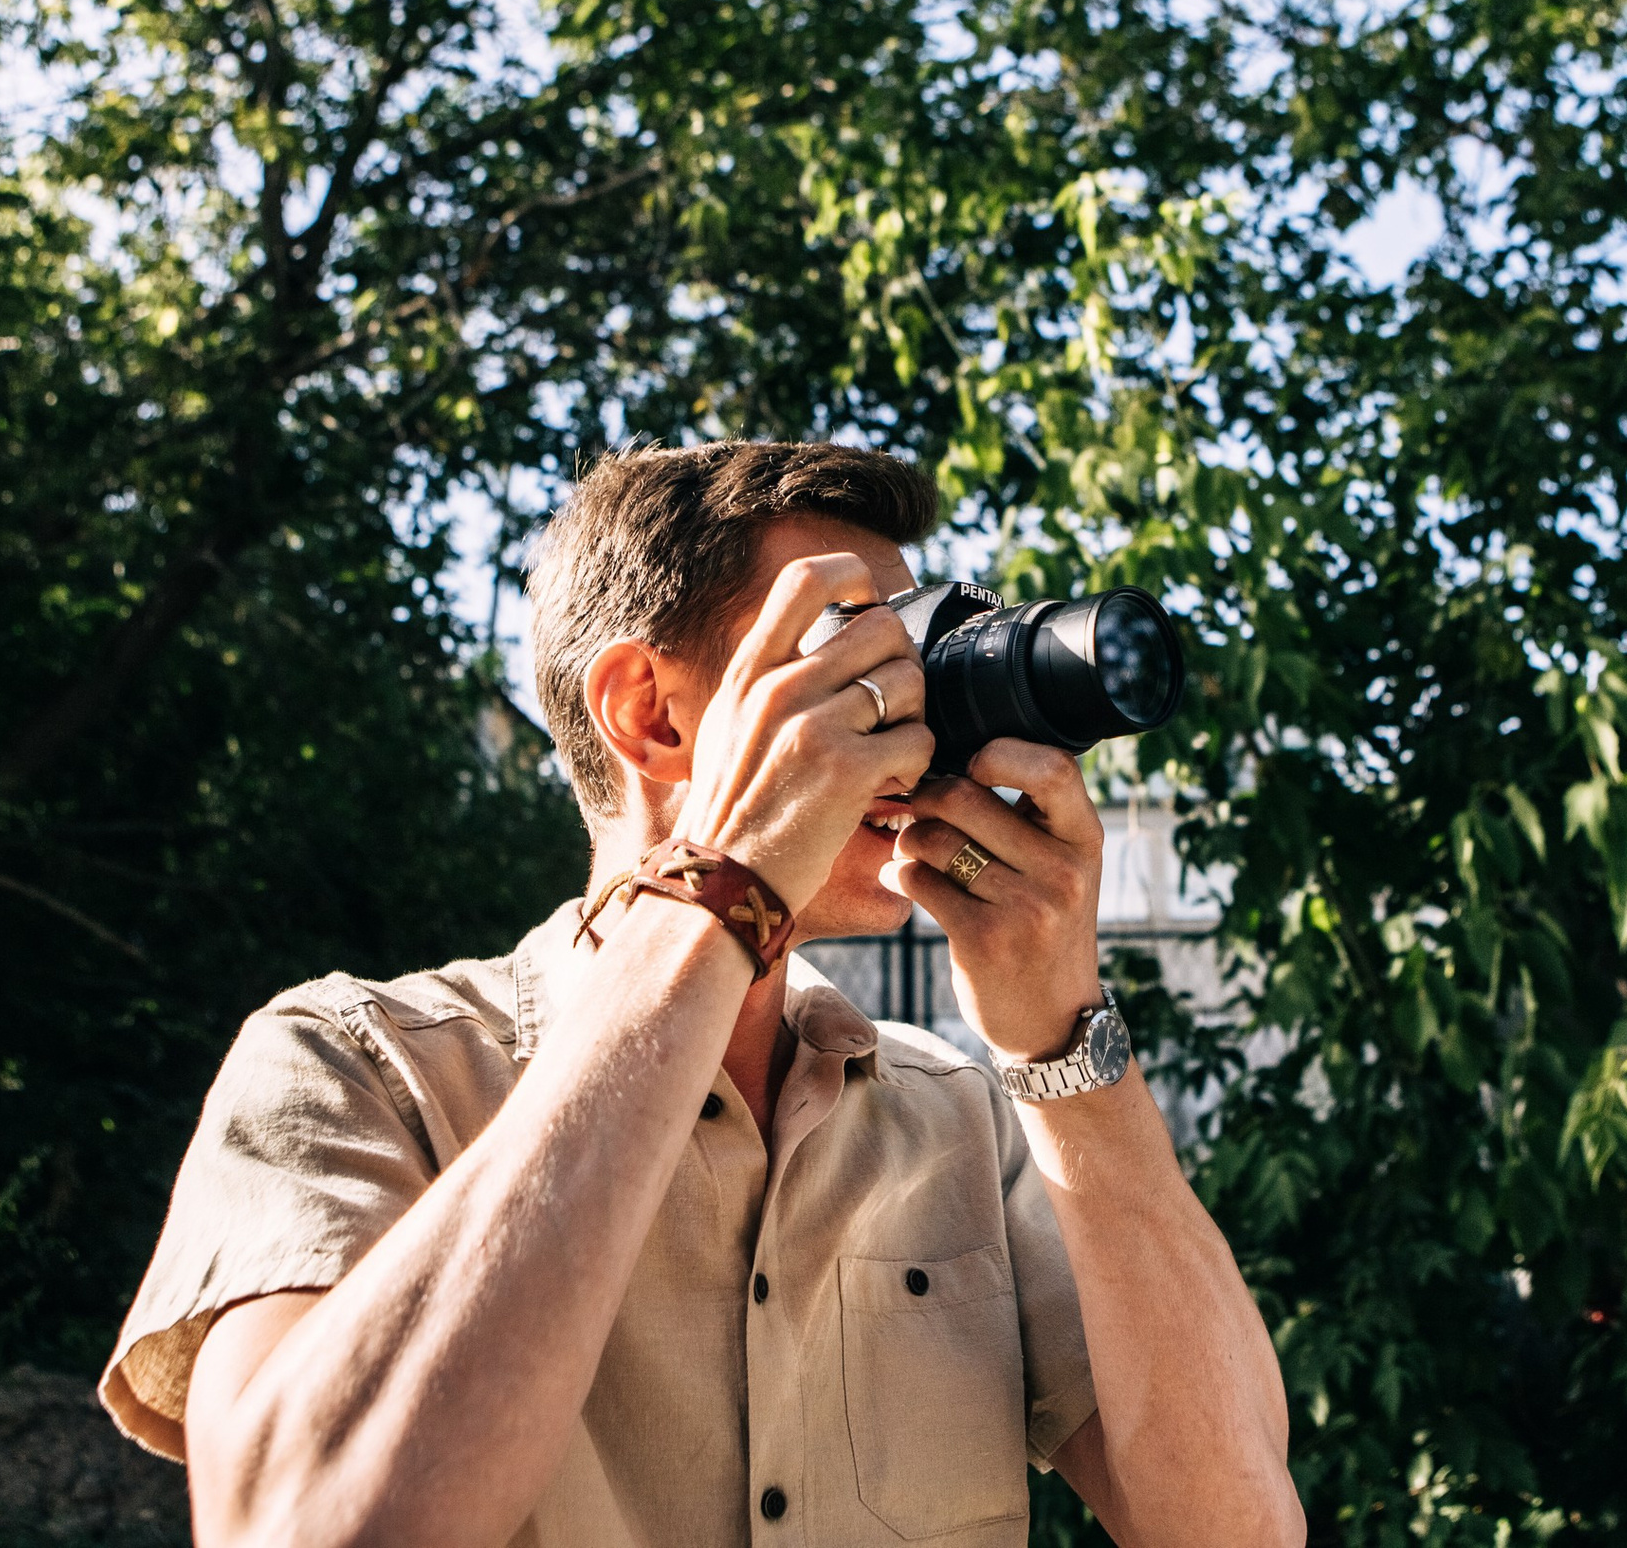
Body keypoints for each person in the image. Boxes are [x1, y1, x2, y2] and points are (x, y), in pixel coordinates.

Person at [97, 441, 1303, 1548]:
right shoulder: (357, 1066)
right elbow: (305, 1528)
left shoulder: (964, 1124)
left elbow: (1237, 1531)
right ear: (650, 715)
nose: (912, 721)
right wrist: (719, 889)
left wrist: (1059, 1040)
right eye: (854, 662)